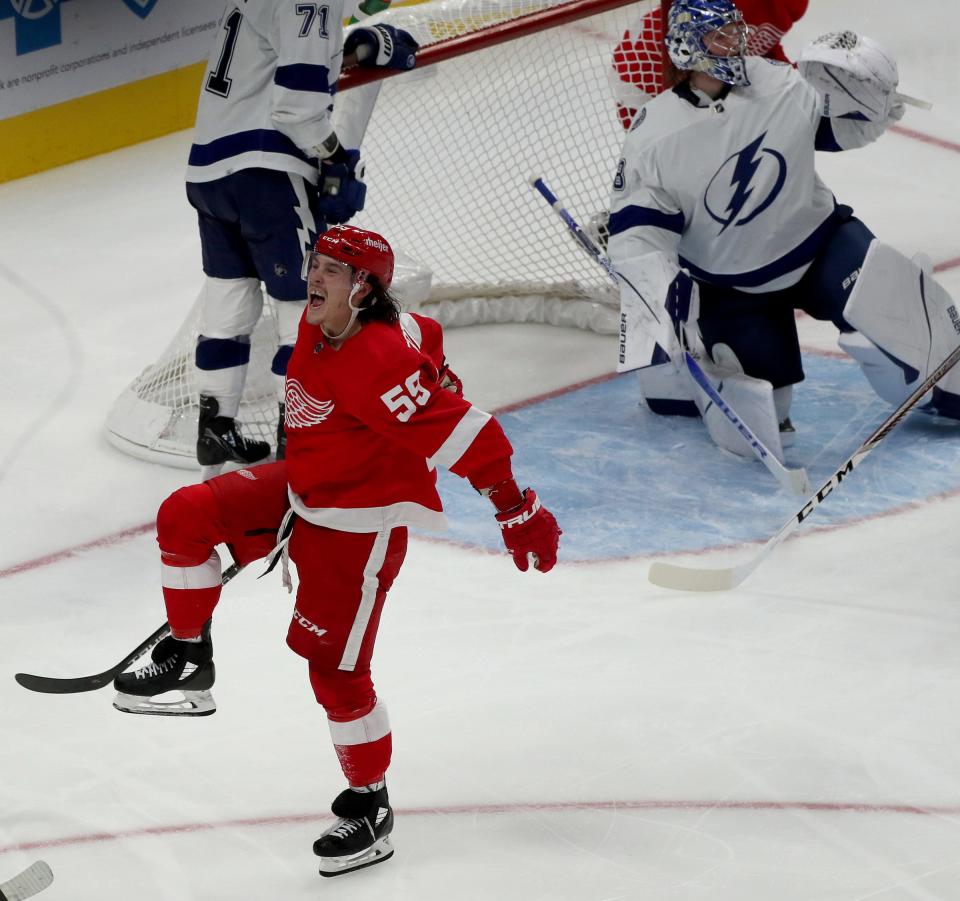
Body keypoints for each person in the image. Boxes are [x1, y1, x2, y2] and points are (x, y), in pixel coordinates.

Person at [111, 226, 562, 878]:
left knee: (336, 673)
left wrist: (516, 506)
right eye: (315, 263)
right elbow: (422, 337)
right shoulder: (328, 328)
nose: (313, 277)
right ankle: (189, 657)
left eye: (331, 269)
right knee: (186, 513)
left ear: (366, 287)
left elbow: (469, 432)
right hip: (306, 493)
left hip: (357, 531)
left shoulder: (376, 361)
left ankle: (370, 805)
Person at [607, 0, 960, 464]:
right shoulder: (653, 136)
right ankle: (680, 382)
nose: (736, 42)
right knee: (762, 416)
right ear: (689, 49)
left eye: (736, 29)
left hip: (820, 244)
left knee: (914, 321)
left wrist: (870, 104)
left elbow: (834, 129)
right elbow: (637, 231)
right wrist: (654, 297)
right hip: (733, 285)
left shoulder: (776, 80)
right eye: (721, 35)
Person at [186, 0, 419, 477]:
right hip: (267, 174)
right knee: (303, 306)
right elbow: (297, 108)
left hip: (209, 173)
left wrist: (353, 51)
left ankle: (215, 425)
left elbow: (278, 58)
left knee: (229, 296)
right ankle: (295, 436)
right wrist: (334, 158)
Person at [611, 0, 809, 129]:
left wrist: (795, 80)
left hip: (690, 73)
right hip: (643, 69)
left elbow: (764, 43)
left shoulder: (794, 4)